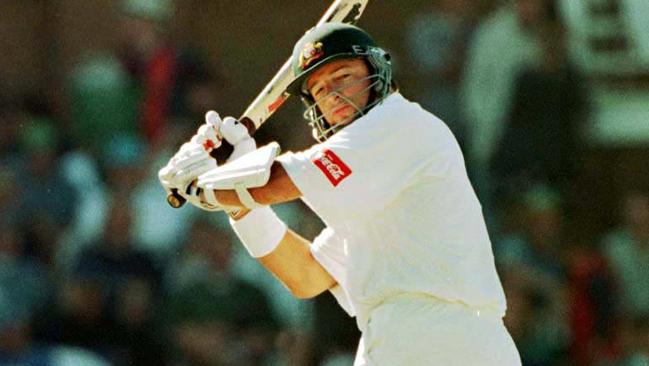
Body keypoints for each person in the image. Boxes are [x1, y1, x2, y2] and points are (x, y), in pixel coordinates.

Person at [159, 23, 521, 365]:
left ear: (376, 71)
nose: (332, 95)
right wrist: (239, 202)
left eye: (343, 77)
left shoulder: (399, 124)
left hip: (447, 341)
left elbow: (279, 181)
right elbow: (307, 275)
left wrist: (207, 184)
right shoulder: (369, 179)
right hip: (401, 341)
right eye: (318, 89)